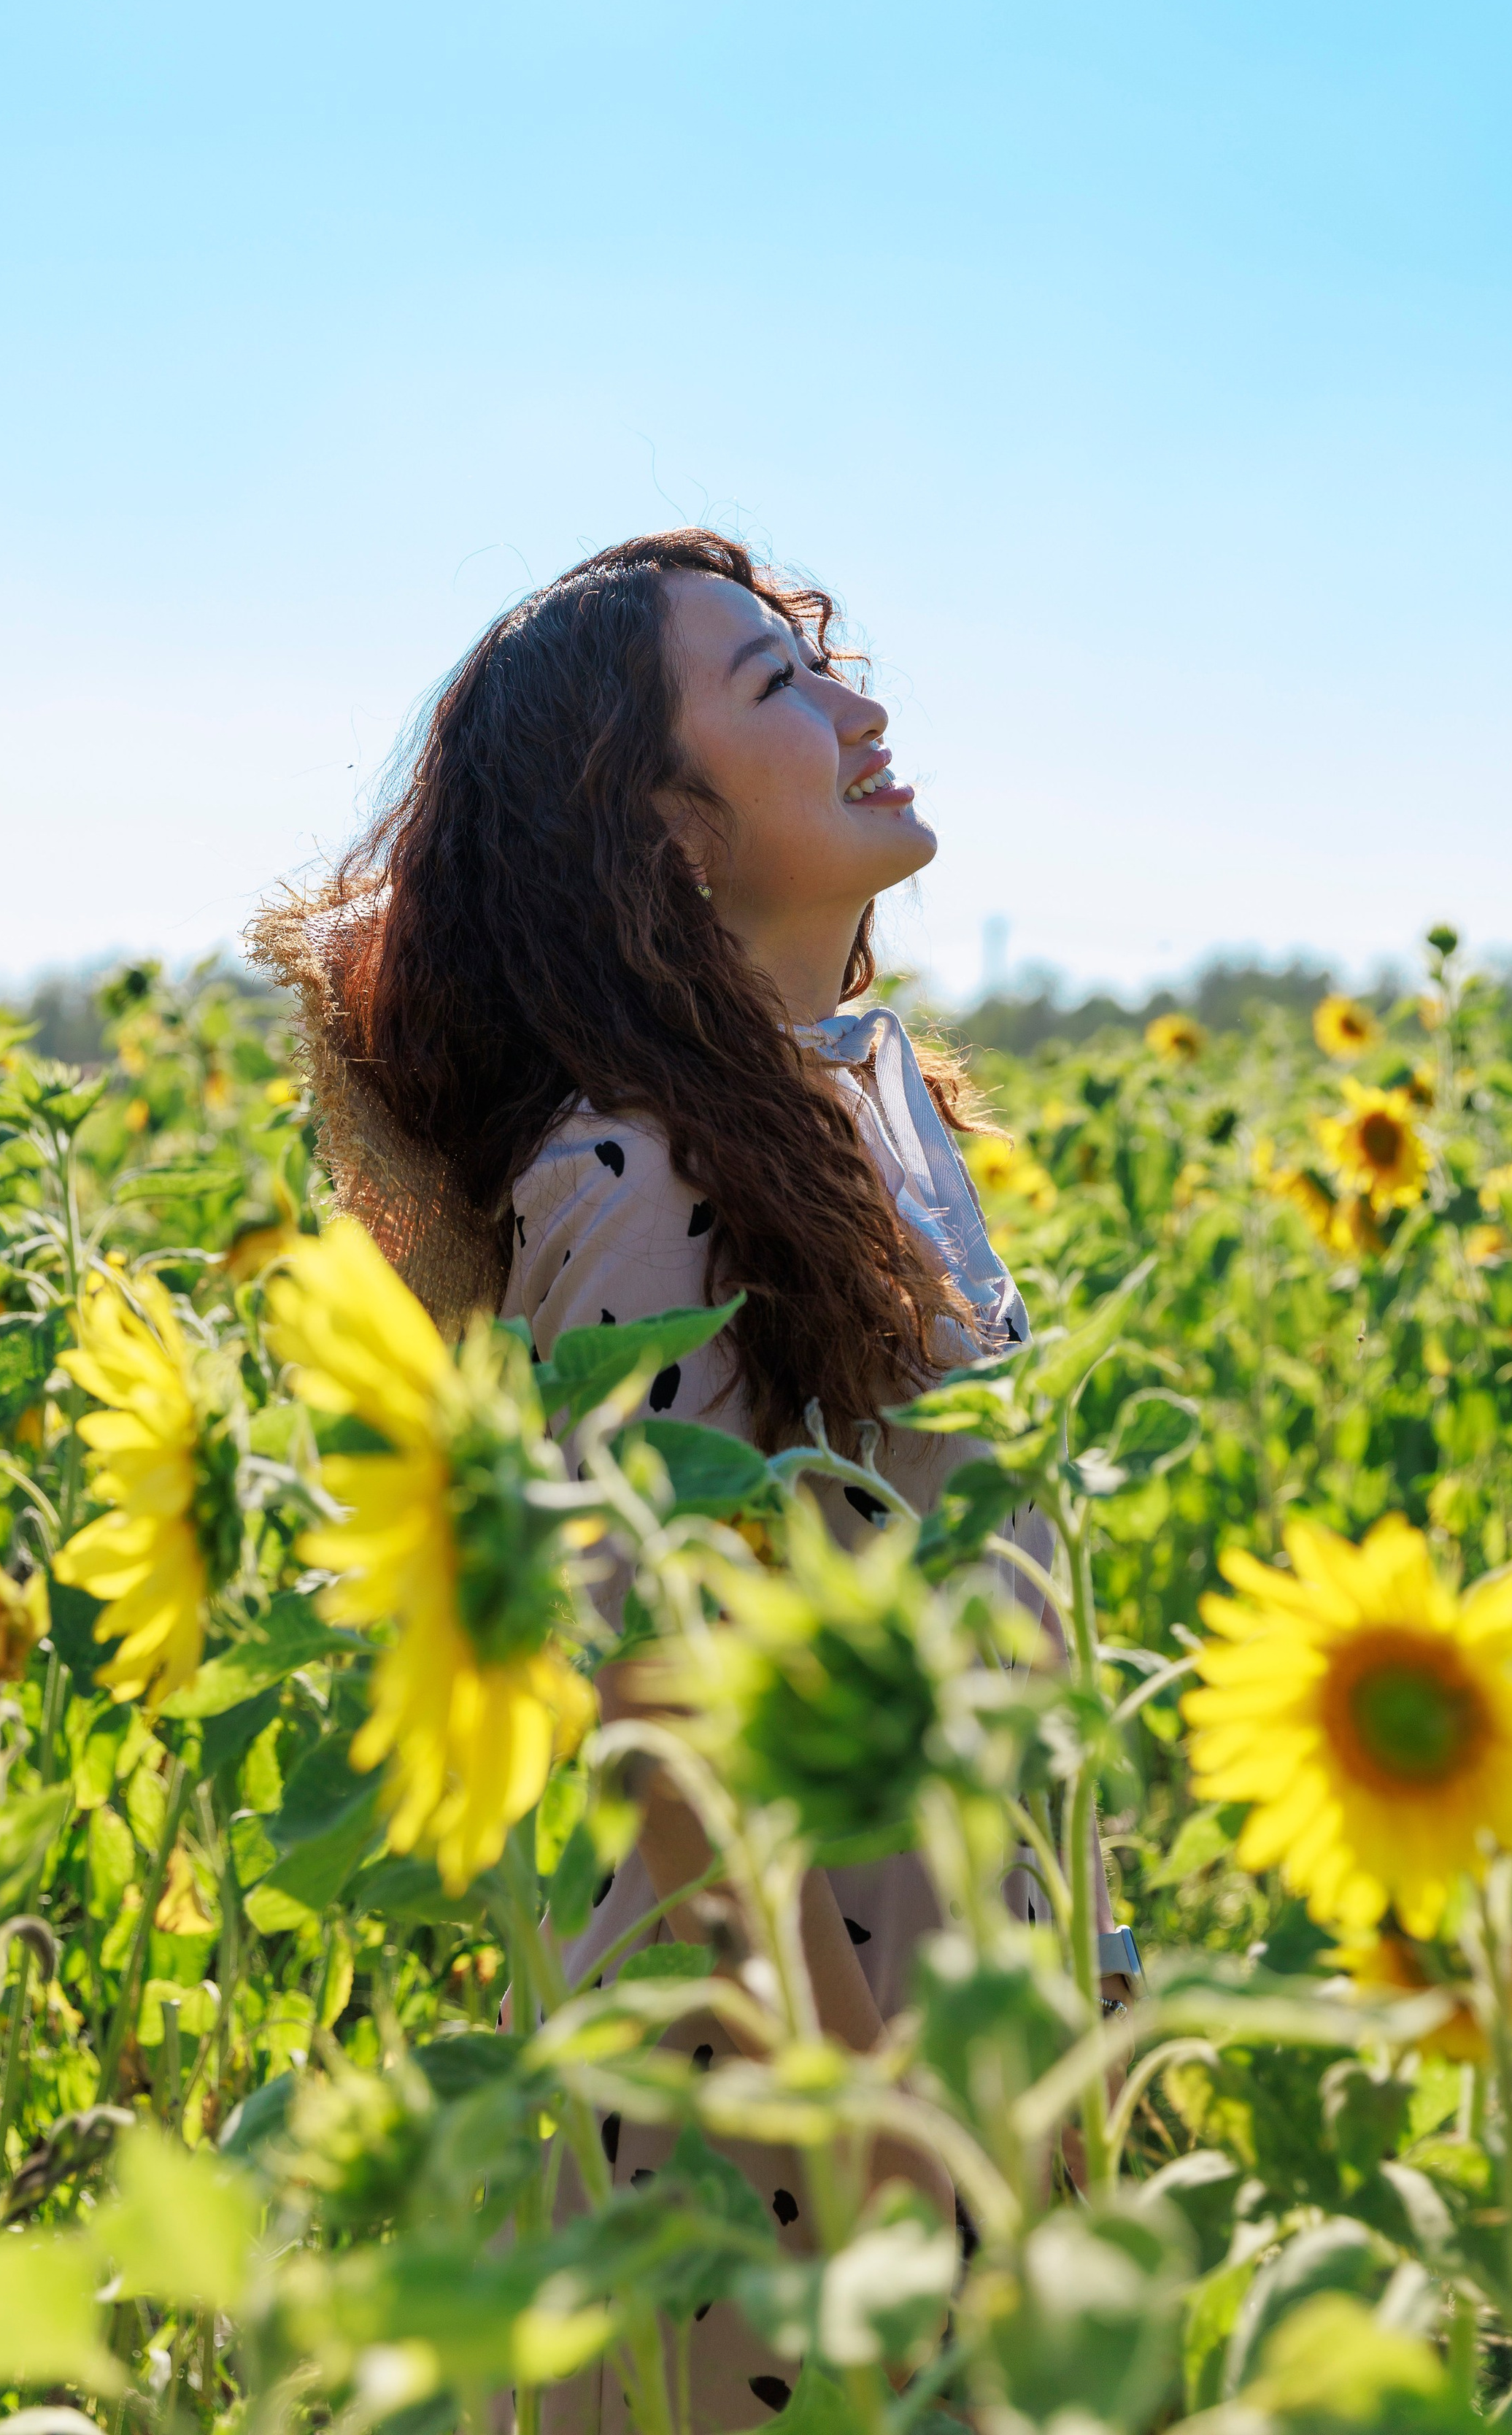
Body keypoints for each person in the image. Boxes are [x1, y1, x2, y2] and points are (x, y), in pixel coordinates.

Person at [262, 528, 1122, 2431]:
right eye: (778, 688)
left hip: (961, 2061)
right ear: (664, 839)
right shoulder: (638, 1181)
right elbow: (675, 1734)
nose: (862, 707)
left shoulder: (856, 1119)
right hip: (797, 2165)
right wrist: (883, 2188)